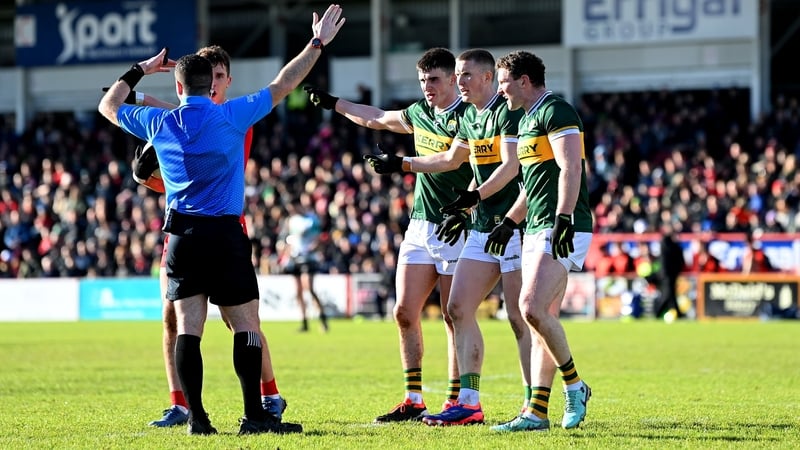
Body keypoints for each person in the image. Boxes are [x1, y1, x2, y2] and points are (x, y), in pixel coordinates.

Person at [98, 4, 345, 435]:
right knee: (246, 325)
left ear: (178, 85)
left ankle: (197, 419)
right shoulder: (233, 115)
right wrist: (317, 42)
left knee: (187, 330)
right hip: (226, 233)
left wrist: (141, 69)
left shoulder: (160, 122)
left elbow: (108, 105)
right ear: (209, 85)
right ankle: (255, 416)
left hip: (181, 236)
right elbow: (285, 82)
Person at [356, 49, 535, 427]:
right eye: (458, 74)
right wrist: (464, 207)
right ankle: (466, 403)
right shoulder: (471, 118)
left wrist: (471, 199)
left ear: (487, 77)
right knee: (456, 309)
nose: (461, 81)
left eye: (466, 75)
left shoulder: (507, 112)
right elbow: (458, 161)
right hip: (479, 224)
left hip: (515, 224)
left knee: (523, 318)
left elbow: (510, 166)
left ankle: (538, 402)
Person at [305, 47, 473, 422]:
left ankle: (456, 400)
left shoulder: (468, 116)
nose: (427, 87)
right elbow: (378, 117)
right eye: (422, 81)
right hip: (420, 223)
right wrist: (335, 103)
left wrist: (401, 164)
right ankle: (413, 398)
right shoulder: (420, 113)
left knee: (452, 316)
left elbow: (452, 161)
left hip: (456, 223)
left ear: (451, 79)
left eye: (433, 80)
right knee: (403, 311)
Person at [129, 45, 290, 427]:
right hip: (187, 227)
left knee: (242, 321)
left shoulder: (233, 119)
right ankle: (181, 404)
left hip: (221, 225)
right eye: (210, 77)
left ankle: (270, 395)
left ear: (228, 81)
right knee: (173, 319)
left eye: (220, 77)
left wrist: (135, 91)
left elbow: (169, 121)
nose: (215, 84)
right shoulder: (204, 118)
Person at [466, 50, 593, 431]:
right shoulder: (525, 120)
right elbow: (531, 185)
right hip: (534, 226)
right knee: (541, 318)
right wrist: (509, 220)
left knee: (530, 307)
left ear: (524, 80)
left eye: (504, 82)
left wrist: (565, 217)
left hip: (562, 225)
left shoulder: (557, 111)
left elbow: (571, 167)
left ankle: (575, 385)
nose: (501, 90)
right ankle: (537, 412)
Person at [279, 194, 329, 332]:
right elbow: (289, 239)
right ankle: (304, 322)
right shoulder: (291, 221)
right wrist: (285, 256)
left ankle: (322, 318)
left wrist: (313, 247)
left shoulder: (311, 219)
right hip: (295, 258)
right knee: (298, 291)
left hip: (309, 258)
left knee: (310, 289)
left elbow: (319, 238)